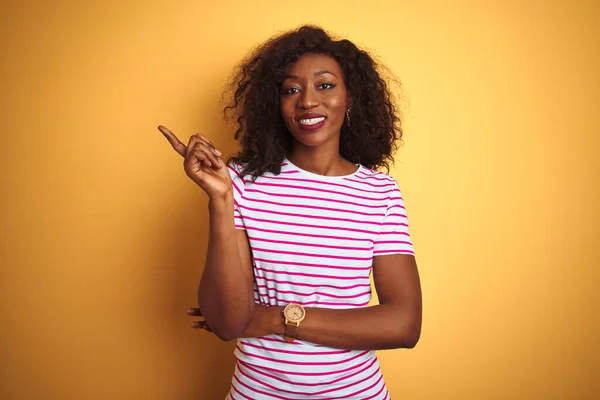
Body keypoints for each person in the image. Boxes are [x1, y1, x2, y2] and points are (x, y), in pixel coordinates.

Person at [159, 25, 422, 400]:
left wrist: (276, 316)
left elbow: (403, 324)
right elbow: (227, 322)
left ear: (351, 98)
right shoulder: (241, 183)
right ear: (275, 104)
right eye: (291, 90)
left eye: (325, 85)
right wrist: (220, 201)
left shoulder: (379, 193)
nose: (307, 101)